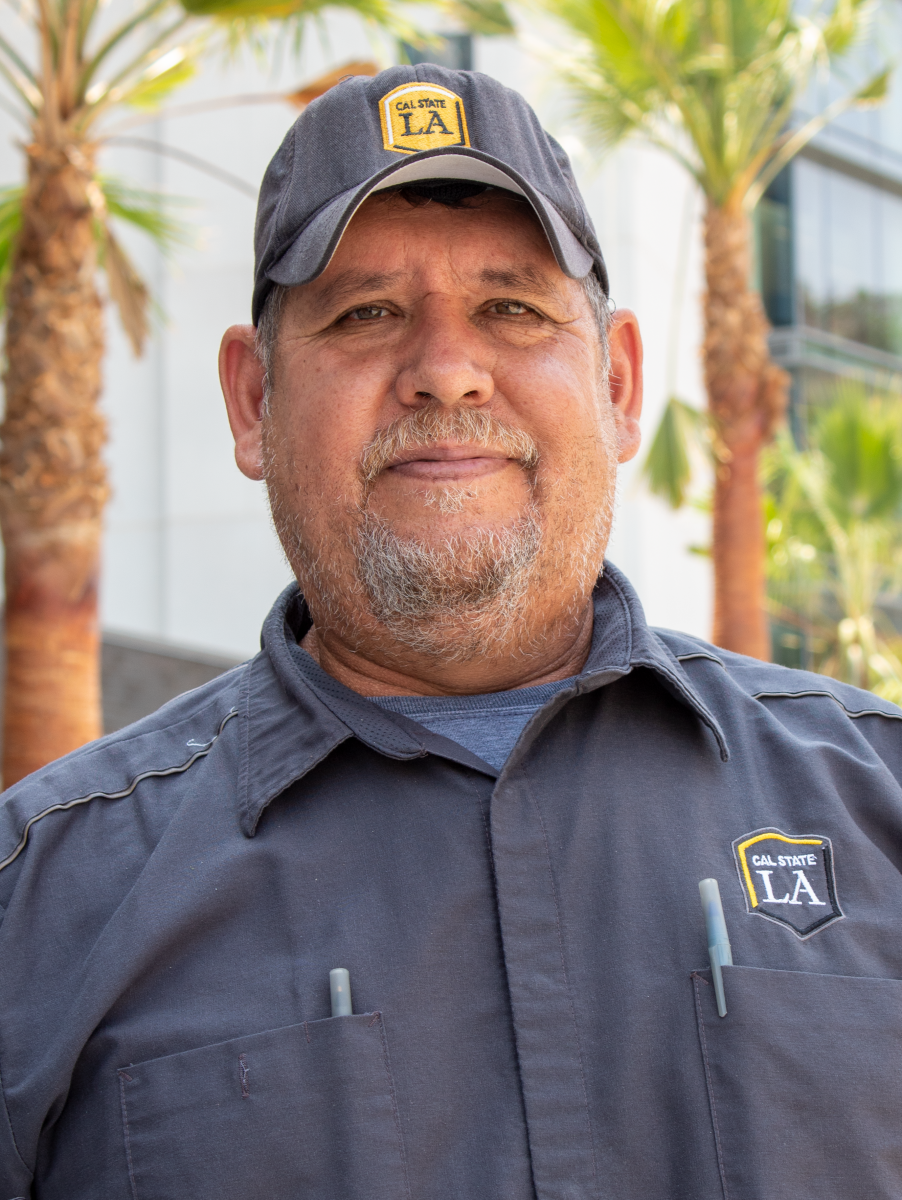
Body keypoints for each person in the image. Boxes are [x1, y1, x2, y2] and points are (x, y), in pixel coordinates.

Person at [1, 64, 902, 1200]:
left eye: (510, 308)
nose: (445, 371)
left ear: (618, 383)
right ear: (253, 403)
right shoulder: (39, 903)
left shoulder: (878, 805)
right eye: (366, 312)